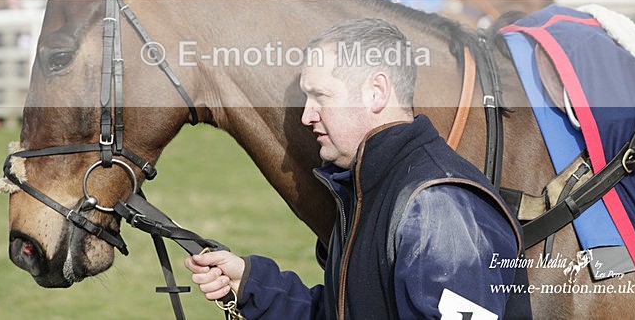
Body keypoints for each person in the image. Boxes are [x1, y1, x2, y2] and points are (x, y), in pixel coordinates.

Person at [185, 18, 530, 319]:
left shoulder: (439, 207)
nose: (307, 116)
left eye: (321, 96)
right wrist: (251, 284)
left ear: (376, 92)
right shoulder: (366, 188)